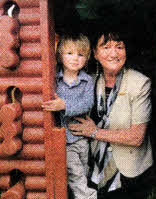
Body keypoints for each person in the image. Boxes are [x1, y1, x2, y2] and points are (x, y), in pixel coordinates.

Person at [68, 30, 154, 199]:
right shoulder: (88, 82)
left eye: (119, 47)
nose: (114, 53)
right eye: (106, 47)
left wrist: (95, 132)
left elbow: (137, 137)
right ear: (95, 53)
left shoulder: (140, 83)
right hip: (94, 168)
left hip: (130, 171)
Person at [41, 33, 96, 199]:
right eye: (69, 53)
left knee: (83, 172)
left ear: (86, 59)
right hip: (64, 140)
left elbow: (88, 104)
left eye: (80, 54)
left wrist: (65, 105)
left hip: (81, 138)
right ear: (60, 56)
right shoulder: (54, 80)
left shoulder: (87, 81)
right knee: (76, 174)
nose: (75, 58)